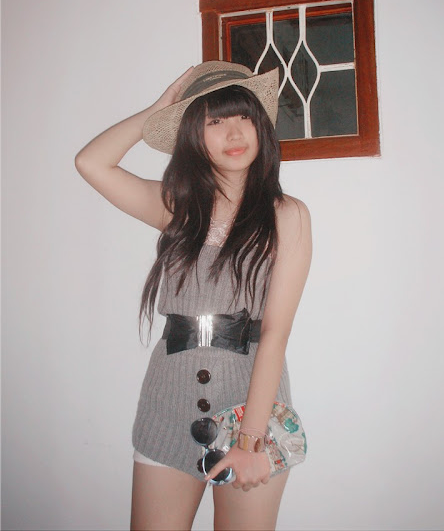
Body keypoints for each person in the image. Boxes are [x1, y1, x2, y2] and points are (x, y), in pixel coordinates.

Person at [75, 60, 312, 531]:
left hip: (252, 406)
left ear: (261, 127)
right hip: (167, 405)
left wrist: (250, 440)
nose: (234, 132)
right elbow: (91, 163)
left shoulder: (288, 215)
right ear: (192, 136)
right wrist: (156, 113)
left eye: (243, 116)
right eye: (214, 121)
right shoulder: (175, 207)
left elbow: (275, 335)